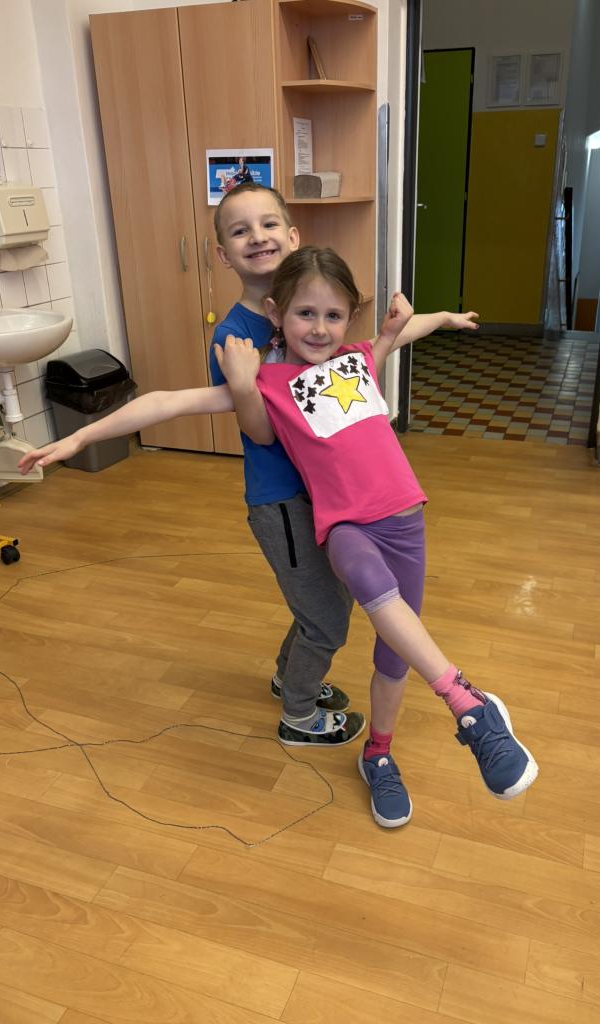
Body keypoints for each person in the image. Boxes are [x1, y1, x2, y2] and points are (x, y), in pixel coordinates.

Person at [22, 183, 478, 757]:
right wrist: (80, 435)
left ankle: (292, 675)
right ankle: (299, 713)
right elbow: (240, 424)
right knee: (326, 619)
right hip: (283, 498)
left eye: (269, 224)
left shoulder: (319, 313)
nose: (258, 237)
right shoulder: (236, 337)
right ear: (224, 255)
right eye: (240, 231)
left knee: (325, 601)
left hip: (331, 498)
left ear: (293, 236)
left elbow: (382, 341)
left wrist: (443, 316)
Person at [214, 245, 538, 826]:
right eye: (306, 314)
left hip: (403, 520)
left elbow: (399, 333)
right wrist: (81, 439)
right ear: (278, 314)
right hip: (342, 524)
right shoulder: (273, 381)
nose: (320, 327)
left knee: (394, 655)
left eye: (333, 315)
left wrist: (443, 318)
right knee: (359, 581)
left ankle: (378, 754)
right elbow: (196, 412)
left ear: (350, 319)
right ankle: (465, 702)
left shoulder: (357, 359)